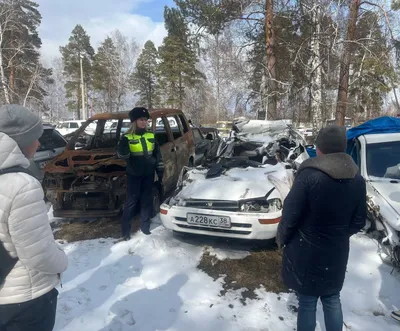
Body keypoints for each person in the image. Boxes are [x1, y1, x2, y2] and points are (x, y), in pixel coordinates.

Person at [277, 125, 366, 331]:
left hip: (307, 250)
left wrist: (283, 238)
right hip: (337, 251)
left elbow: (290, 215)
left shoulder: (309, 176)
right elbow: (359, 220)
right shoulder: (357, 179)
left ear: (321, 148)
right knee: (332, 297)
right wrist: (338, 235)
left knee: (307, 301)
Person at [0, 104, 68, 331]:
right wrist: (62, 260)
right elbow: (38, 255)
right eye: (35, 138)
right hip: (25, 299)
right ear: (19, 142)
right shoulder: (22, 185)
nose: (39, 144)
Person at [117, 107, 164, 238]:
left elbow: (158, 156)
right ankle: (125, 231)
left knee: (146, 201)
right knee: (131, 202)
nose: (144, 122)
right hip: (134, 175)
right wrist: (123, 148)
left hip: (148, 174)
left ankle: (145, 227)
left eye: (145, 120)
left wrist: (160, 171)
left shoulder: (151, 135)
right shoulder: (126, 137)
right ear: (134, 121)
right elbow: (122, 155)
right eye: (141, 120)